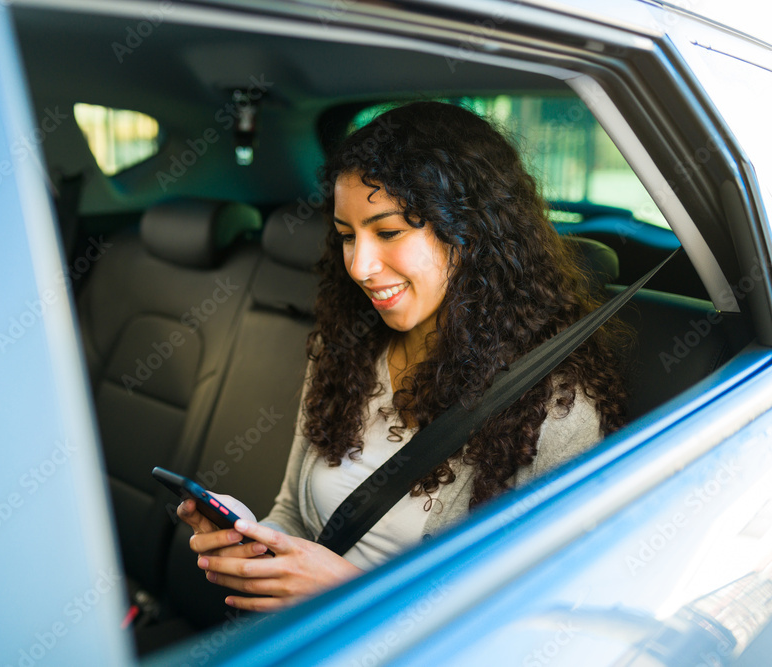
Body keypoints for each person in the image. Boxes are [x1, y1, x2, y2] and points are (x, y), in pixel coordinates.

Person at [176, 101, 629, 612]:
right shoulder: (343, 351)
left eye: (388, 232)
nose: (361, 266)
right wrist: (258, 544)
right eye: (347, 237)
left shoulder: (557, 409)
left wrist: (348, 594)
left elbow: (533, 616)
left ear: (472, 231)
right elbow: (294, 514)